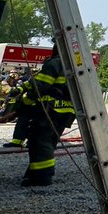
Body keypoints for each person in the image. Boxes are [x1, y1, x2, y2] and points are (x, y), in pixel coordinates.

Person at [20, 46, 75, 186]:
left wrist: (27, 99)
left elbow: (41, 85)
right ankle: (34, 172)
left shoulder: (55, 63)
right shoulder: (73, 64)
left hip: (51, 110)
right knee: (48, 142)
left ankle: (42, 177)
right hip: (67, 111)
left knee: (40, 142)